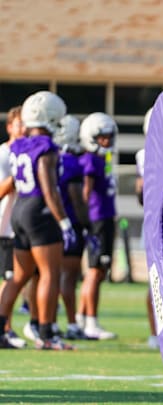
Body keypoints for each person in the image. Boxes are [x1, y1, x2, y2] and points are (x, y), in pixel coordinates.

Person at [0, 90, 76, 350]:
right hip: (39, 211)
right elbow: (49, 188)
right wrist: (64, 221)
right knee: (50, 273)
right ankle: (46, 334)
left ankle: (1, 328)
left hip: (20, 209)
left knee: (19, 276)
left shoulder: (19, 144)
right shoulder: (46, 149)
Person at [76, 112, 118, 340]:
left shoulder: (104, 159)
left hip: (104, 217)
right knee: (94, 271)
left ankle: (83, 318)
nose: (107, 141)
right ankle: (90, 322)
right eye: (102, 137)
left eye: (109, 136)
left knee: (99, 271)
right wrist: (86, 221)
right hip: (97, 219)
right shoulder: (91, 160)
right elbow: (86, 191)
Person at [54, 114, 91, 340]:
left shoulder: (52, 157)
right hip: (71, 224)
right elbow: (77, 199)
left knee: (47, 276)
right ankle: (71, 323)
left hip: (52, 221)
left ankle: (43, 322)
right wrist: (87, 225)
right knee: (68, 276)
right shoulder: (72, 163)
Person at [0, 106, 26, 348]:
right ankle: (4, 329)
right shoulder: (4, 154)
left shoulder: (27, 152)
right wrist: (19, 176)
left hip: (20, 227)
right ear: (10, 127)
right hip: (4, 227)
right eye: (19, 124)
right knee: (9, 279)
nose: (24, 129)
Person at [136, 107, 159, 349]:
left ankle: (156, 334)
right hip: (161, 224)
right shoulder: (147, 155)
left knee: (157, 281)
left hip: (153, 222)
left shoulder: (143, 154)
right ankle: (157, 333)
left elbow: (139, 193)